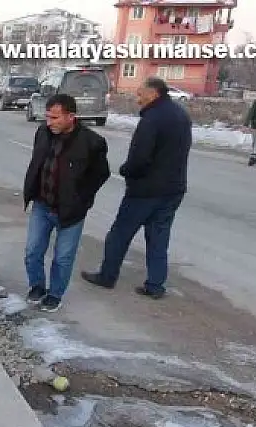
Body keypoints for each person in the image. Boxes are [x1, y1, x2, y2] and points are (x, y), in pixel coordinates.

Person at [82, 76, 192, 300]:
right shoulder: (181, 114)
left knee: (119, 234)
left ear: (154, 94)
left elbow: (140, 158)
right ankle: (155, 285)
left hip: (146, 190)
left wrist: (125, 170)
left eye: (140, 94)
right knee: (159, 238)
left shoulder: (152, 119)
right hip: (174, 189)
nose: (137, 99)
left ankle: (107, 276)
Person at [21, 94, 111, 312]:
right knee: (33, 251)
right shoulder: (43, 133)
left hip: (70, 212)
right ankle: (37, 286)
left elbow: (101, 174)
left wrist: (82, 201)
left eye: (55, 118)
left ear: (71, 117)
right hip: (42, 205)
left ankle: (55, 294)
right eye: (47, 116)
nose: (49, 122)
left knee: (63, 257)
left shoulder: (92, 142)